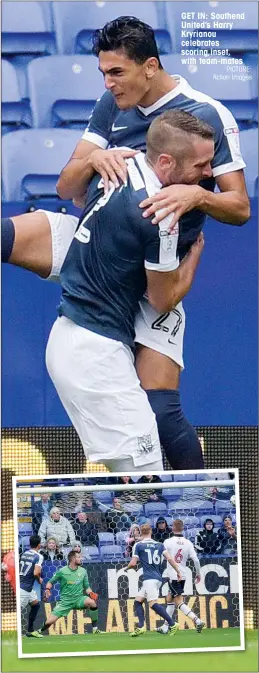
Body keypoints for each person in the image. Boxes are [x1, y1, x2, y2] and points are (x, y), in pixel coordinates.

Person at [2, 17, 249, 469]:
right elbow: (65, 187)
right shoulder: (110, 105)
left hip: (157, 265)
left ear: (150, 66)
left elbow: (240, 207)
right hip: (98, 243)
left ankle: (204, 513)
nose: (107, 83)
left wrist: (196, 194)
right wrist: (94, 157)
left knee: (161, 413)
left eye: (116, 73)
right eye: (103, 73)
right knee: (10, 234)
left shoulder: (207, 113)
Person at [46, 109, 210, 473]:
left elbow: (72, 196)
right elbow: (162, 300)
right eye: (201, 164)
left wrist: (91, 158)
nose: (209, 173)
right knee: (145, 482)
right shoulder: (160, 215)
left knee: (133, 478)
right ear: (166, 162)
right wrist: (195, 256)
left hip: (68, 335)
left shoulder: (119, 162)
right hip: (95, 353)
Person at [125, 523, 181, 636]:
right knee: (138, 601)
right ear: (151, 532)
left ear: (141, 532)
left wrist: (125, 568)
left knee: (152, 604)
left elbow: (133, 563)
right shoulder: (160, 545)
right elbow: (170, 559)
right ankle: (141, 627)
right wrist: (178, 571)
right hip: (158, 578)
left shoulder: (138, 545)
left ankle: (172, 623)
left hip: (149, 579)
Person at [31, 550, 101, 637]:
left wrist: (90, 593)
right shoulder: (62, 571)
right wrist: (48, 589)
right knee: (50, 621)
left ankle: (95, 629)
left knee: (92, 603)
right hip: (65, 602)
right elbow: (50, 582)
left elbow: (87, 587)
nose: (81, 559)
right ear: (72, 559)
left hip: (79, 599)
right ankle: (39, 631)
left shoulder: (83, 571)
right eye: (78, 557)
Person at [157, 519, 204, 635]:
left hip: (174, 576)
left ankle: (197, 621)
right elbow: (196, 560)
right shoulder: (188, 543)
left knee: (178, 601)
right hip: (183, 575)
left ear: (172, 528)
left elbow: (162, 557)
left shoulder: (167, 542)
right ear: (183, 528)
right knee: (169, 599)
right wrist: (198, 573)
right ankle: (165, 626)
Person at [19, 534, 43, 638]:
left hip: (25, 586)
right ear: (39, 545)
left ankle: (30, 630)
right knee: (15, 613)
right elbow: (35, 573)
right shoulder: (38, 556)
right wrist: (39, 580)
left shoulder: (24, 553)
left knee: (36, 605)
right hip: (24, 589)